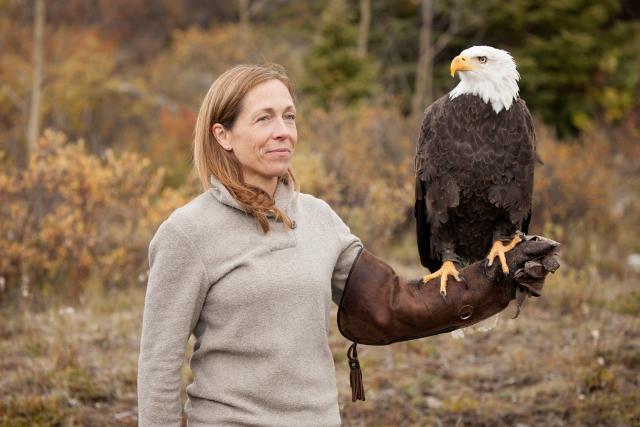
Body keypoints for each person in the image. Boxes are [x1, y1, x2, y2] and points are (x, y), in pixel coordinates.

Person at [137, 63, 559, 426]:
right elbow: (159, 365)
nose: (283, 132)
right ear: (223, 135)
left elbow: (391, 307)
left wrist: (492, 281)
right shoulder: (187, 234)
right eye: (264, 119)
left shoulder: (318, 219)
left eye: (289, 117)